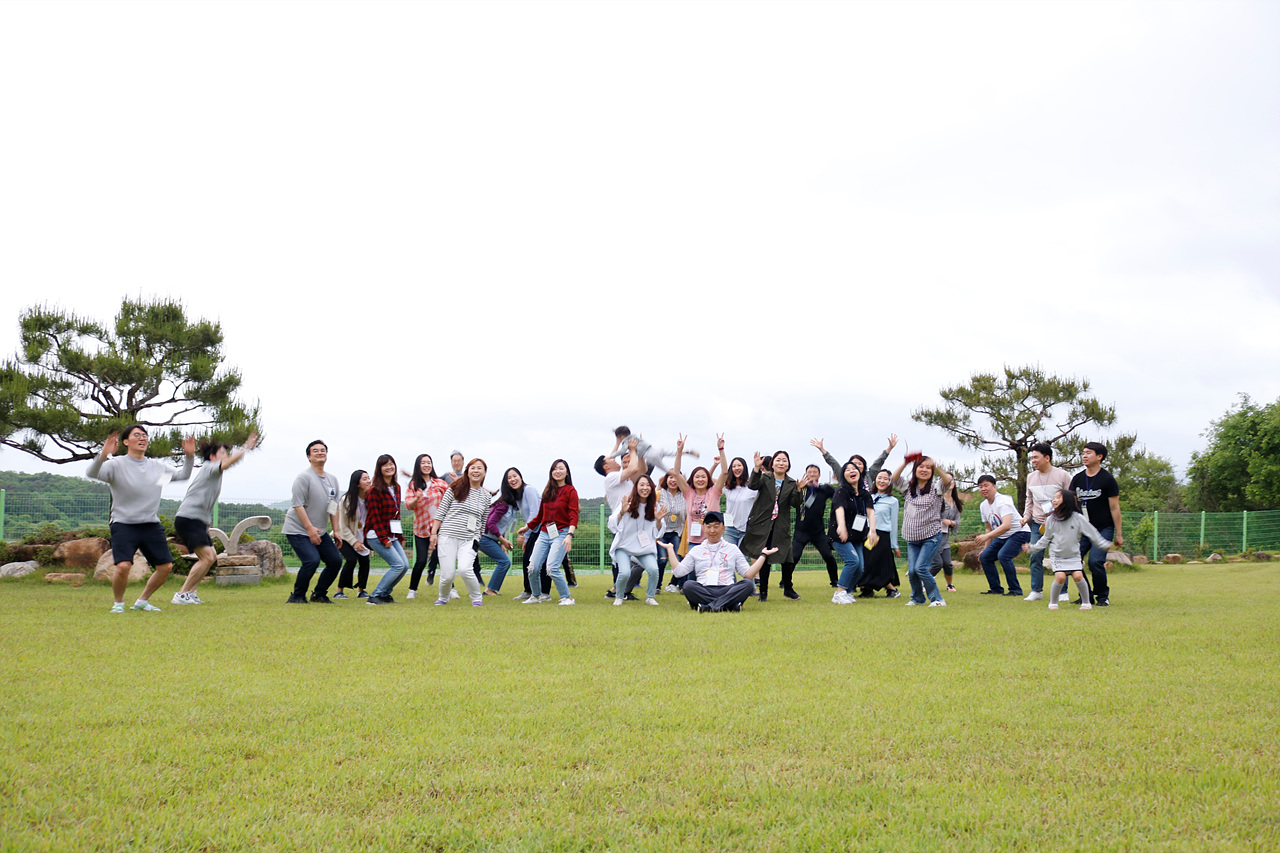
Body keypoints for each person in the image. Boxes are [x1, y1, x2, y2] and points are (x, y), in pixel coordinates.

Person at [86, 425, 195, 613]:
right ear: (126, 442)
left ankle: (142, 601)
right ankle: (118, 603)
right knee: (123, 566)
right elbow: (92, 473)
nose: (142, 438)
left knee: (165, 566)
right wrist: (103, 455)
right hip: (123, 524)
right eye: (137, 435)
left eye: (144, 435)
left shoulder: (156, 468)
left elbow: (183, 475)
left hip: (150, 524)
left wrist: (189, 456)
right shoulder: (116, 465)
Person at [171, 431, 259, 604]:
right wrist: (245, 447)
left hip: (197, 521)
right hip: (188, 519)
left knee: (211, 556)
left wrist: (206, 524)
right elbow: (228, 463)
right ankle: (181, 594)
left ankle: (190, 593)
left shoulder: (214, 473)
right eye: (223, 453)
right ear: (212, 457)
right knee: (207, 557)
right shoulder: (209, 467)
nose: (226, 456)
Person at [661, 511, 778, 612]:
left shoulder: (732, 549)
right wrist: (670, 549)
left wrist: (763, 556)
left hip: (727, 589)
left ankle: (709, 607)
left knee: (747, 584)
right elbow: (679, 572)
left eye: (716, 526)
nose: (712, 530)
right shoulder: (696, 550)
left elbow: (748, 574)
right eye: (709, 526)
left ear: (723, 528)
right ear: (704, 528)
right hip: (704, 589)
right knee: (688, 585)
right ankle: (729, 605)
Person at [1024, 490, 1110, 610]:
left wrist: (1104, 544)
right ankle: (1053, 603)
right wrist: (1032, 548)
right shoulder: (1050, 519)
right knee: (1060, 577)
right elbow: (1045, 539)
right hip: (1057, 555)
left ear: (1068, 501)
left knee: (1078, 576)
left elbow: (1092, 532)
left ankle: (1086, 603)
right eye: (1054, 498)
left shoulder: (1078, 518)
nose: (1054, 500)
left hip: (1074, 555)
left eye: (1058, 497)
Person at [282, 439, 343, 604]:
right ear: (309, 456)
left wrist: (336, 531)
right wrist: (309, 529)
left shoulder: (332, 480)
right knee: (311, 560)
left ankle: (319, 594)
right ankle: (297, 596)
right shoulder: (304, 477)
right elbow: (298, 505)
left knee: (335, 561)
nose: (320, 453)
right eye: (315, 451)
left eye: (323, 450)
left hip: (320, 531)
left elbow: (334, 507)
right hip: (298, 529)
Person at [889, 451, 954, 607]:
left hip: (931, 536)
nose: (924, 470)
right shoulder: (908, 487)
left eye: (928, 468)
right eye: (921, 467)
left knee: (921, 568)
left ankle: (937, 599)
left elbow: (947, 481)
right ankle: (917, 598)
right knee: (912, 571)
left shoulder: (936, 488)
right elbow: (894, 479)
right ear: (915, 469)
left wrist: (936, 466)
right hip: (912, 537)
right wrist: (905, 462)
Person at [666, 434, 729, 590]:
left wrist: (721, 449)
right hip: (694, 540)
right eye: (697, 477)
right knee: (693, 572)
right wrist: (679, 451)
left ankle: (721, 592)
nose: (700, 479)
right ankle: (695, 594)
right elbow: (676, 472)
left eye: (703, 477)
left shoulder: (714, 492)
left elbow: (725, 472)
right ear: (692, 479)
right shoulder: (688, 493)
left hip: (713, 539)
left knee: (716, 569)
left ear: (708, 479)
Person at [742, 449, 803, 601]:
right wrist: (756, 468)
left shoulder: (791, 483)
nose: (781, 463)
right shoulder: (764, 478)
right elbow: (752, 485)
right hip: (763, 524)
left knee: (787, 558)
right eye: (778, 460)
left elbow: (795, 503)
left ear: (788, 465)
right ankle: (763, 592)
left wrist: (798, 489)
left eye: (784, 460)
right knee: (765, 558)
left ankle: (788, 589)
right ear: (772, 464)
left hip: (781, 526)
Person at [429, 458, 491, 606]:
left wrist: (478, 538)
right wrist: (434, 533)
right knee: (448, 575)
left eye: (479, 468)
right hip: (447, 536)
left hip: (469, 539)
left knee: (465, 569)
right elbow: (441, 512)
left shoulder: (486, 496)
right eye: (473, 468)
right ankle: (443, 597)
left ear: (484, 473)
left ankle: (477, 598)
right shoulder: (454, 489)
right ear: (467, 471)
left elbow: (483, 521)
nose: (476, 471)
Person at [1070, 441, 1123, 606]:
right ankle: (1086, 595)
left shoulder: (1107, 479)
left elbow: (1115, 508)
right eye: (1083, 453)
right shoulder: (1077, 478)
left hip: (1103, 528)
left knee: (1095, 561)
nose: (1084, 456)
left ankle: (1102, 596)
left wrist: (1119, 534)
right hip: (1082, 529)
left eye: (1088, 453)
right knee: (1073, 560)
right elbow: (1071, 504)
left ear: (1099, 457)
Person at [519, 459, 579, 605]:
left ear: (567, 472)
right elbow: (540, 516)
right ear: (551, 472)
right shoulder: (547, 491)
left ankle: (567, 598)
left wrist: (569, 535)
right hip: (544, 533)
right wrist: (527, 527)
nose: (558, 471)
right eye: (555, 469)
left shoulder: (570, 491)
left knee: (551, 568)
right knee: (532, 567)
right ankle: (536, 596)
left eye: (561, 468)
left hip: (562, 533)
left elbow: (573, 515)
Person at [1021, 442, 1074, 602]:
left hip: (1059, 523)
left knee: (1060, 556)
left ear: (1047, 458)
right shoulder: (1031, 477)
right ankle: (1036, 590)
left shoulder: (1063, 475)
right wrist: (1026, 516)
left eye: (1036, 457)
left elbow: (1071, 498)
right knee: (1035, 555)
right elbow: (1029, 500)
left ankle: (1063, 591)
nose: (1033, 461)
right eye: (1032, 458)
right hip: (1038, 524)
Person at [596, 437, 646, 599]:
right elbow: (633, 468)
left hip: (633, 522)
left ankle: (620, 590)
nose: (615, 459)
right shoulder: (611, 477)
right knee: (622, 559)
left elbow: (641, 470)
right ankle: (616, 590)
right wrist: (632, 449)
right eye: (611, 460)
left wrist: (619, 443)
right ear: (606, 467)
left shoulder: (620, 477)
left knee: (638, 559)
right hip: (622, 523)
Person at [830, 461, 878, 604]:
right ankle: (839, 592)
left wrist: (872, 531)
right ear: (843, 476)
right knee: (852, 561)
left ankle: (847, 591)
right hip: (841, 536)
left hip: (857, 535)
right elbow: (839, 509)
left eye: (854, 469)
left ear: (859, 473)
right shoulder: (841, 491)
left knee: (860, 568)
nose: (851, 471)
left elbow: (871, 513)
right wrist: (841, 526)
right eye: (847, 469)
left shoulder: (865, 494)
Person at [787, 460, 840, 591]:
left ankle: (835, 581)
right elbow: (791, 500)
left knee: (828, 556)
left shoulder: (824, 490)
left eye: (814, 472)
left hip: (818, 532)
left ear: (819, 475)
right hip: (801, 531)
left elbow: (839, 495)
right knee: (794, 556)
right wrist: (799, 488)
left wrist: (838, 482)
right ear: (805, 474)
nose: (811, 474)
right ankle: (785, 581)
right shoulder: (800, 488)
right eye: (809, 472)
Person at [973, 474, 1029, 597]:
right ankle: (996, 589)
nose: (983, 489)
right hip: (1003, 536)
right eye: (980, 486)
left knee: (1003, 556)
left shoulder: (1003, 501)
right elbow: (988, 528)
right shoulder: (983, 505)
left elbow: (1007, 525)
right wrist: (985, 549)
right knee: (985, 557)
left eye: (986, 485)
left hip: (1019, 533)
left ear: (994, 486)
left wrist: (986, 537)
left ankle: (1015, 590)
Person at [611, 475, 663, 606]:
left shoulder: (654, 506)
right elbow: (612, 524)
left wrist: (658, 520)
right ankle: (619, 596)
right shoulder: (627, 503)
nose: (645, 488)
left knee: (654, 570)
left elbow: (658, 531)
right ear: (636, 487)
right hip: (624, 546)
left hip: (644, 548)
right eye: (642, 485)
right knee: (625, 573)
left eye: (648, 485)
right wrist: (622, 513)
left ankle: (650, 596)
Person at [364, 454, 409, 605]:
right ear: (379, 469)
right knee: (398, 565)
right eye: (385, 465)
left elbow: (397, 514)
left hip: (392, 534)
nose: (389, 467)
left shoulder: (397, 487)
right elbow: (374, 517)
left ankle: (384, 594)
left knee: (405, 566)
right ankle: (376, 595)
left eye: (391, 464)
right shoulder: (374, 490)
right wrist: (383, 538)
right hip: (376, 535)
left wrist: (400, 536)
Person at [404, 453, 449, 599]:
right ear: (418, 465)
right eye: (423, 462)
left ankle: (451, 589)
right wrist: (416, 498)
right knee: (421, 560)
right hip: (421, 528)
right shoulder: (413, 485)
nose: (426, 465)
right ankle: (412, 590)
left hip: (440, 527)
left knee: (444, 559)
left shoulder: (439, 483)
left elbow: (452, 495)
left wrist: (456, 481)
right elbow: (408, 505)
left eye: (428, 462)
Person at [480, 468, 526, 596]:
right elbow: (490, 524)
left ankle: (491, 589)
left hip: (491, 539)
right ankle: (489, 590)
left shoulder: (512, 507)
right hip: (485, 538)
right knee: (505, 561)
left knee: (505, 562)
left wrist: (501, 543)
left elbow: (502, 526)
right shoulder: (503, 505)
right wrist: (503, 540)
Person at [860, 469, 902, 598]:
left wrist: (894, 545)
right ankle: (866, 589)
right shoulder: (868, 497)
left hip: (882, 536)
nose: (882, 481)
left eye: (885, 478)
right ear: (875, 480)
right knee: (865, 562)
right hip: (867, 534)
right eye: (879, 478)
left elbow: (894, 523)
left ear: (890, 482)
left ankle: (892, 589)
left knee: (877, 562)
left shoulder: (893, 501)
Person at [335, 470, 372, 599]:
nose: (368, 481)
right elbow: (342, 526)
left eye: (369, 478)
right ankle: (339, 591)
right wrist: (354, 542)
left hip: (361, 536)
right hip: (344, 536)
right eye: (365, 479)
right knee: (351, 560)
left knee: (365, 561)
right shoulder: (346, 500)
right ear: (357, 483)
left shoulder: (370, 499)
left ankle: (361, 590)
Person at [607, 425, 691, 475]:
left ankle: (678, 476)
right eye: (625, 462)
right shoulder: (634, 436)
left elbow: (622, 451)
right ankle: (685, 452)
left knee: (666, 469)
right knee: (672, 453)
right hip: (655, 448)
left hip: (650, 455)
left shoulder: (626, 442)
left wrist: (612, 455)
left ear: (621, 437)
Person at [654, 470, 686, 589]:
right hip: (662, 532)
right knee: (662, 560)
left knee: (678, 559)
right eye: (670, 477)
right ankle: (657, 586)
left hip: (676, 532)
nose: (673, 480)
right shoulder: (659, 494)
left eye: (676, 477)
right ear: (666, 479)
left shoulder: (684, 495)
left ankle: (680, 586)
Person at [930, 480, 963, 592]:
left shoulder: (956, 503)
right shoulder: (936, 499)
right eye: (945, 480)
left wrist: (951, 522)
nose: (948, 482)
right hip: (933, 536)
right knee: (937, 564)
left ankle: (949, 584)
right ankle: (925, 583)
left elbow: (957, 521)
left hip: (945, 538)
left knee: (948, 564)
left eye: (951, 480)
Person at [722, 454, 757, 548]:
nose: (736, 468)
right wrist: (715, 464)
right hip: (730, 528)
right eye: (734, 466)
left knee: (742, 556)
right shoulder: (727, 487)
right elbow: (709, 479)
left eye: (739, 465)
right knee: (728, 554)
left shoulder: (752, 487)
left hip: (746, 530)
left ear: (744, 468)